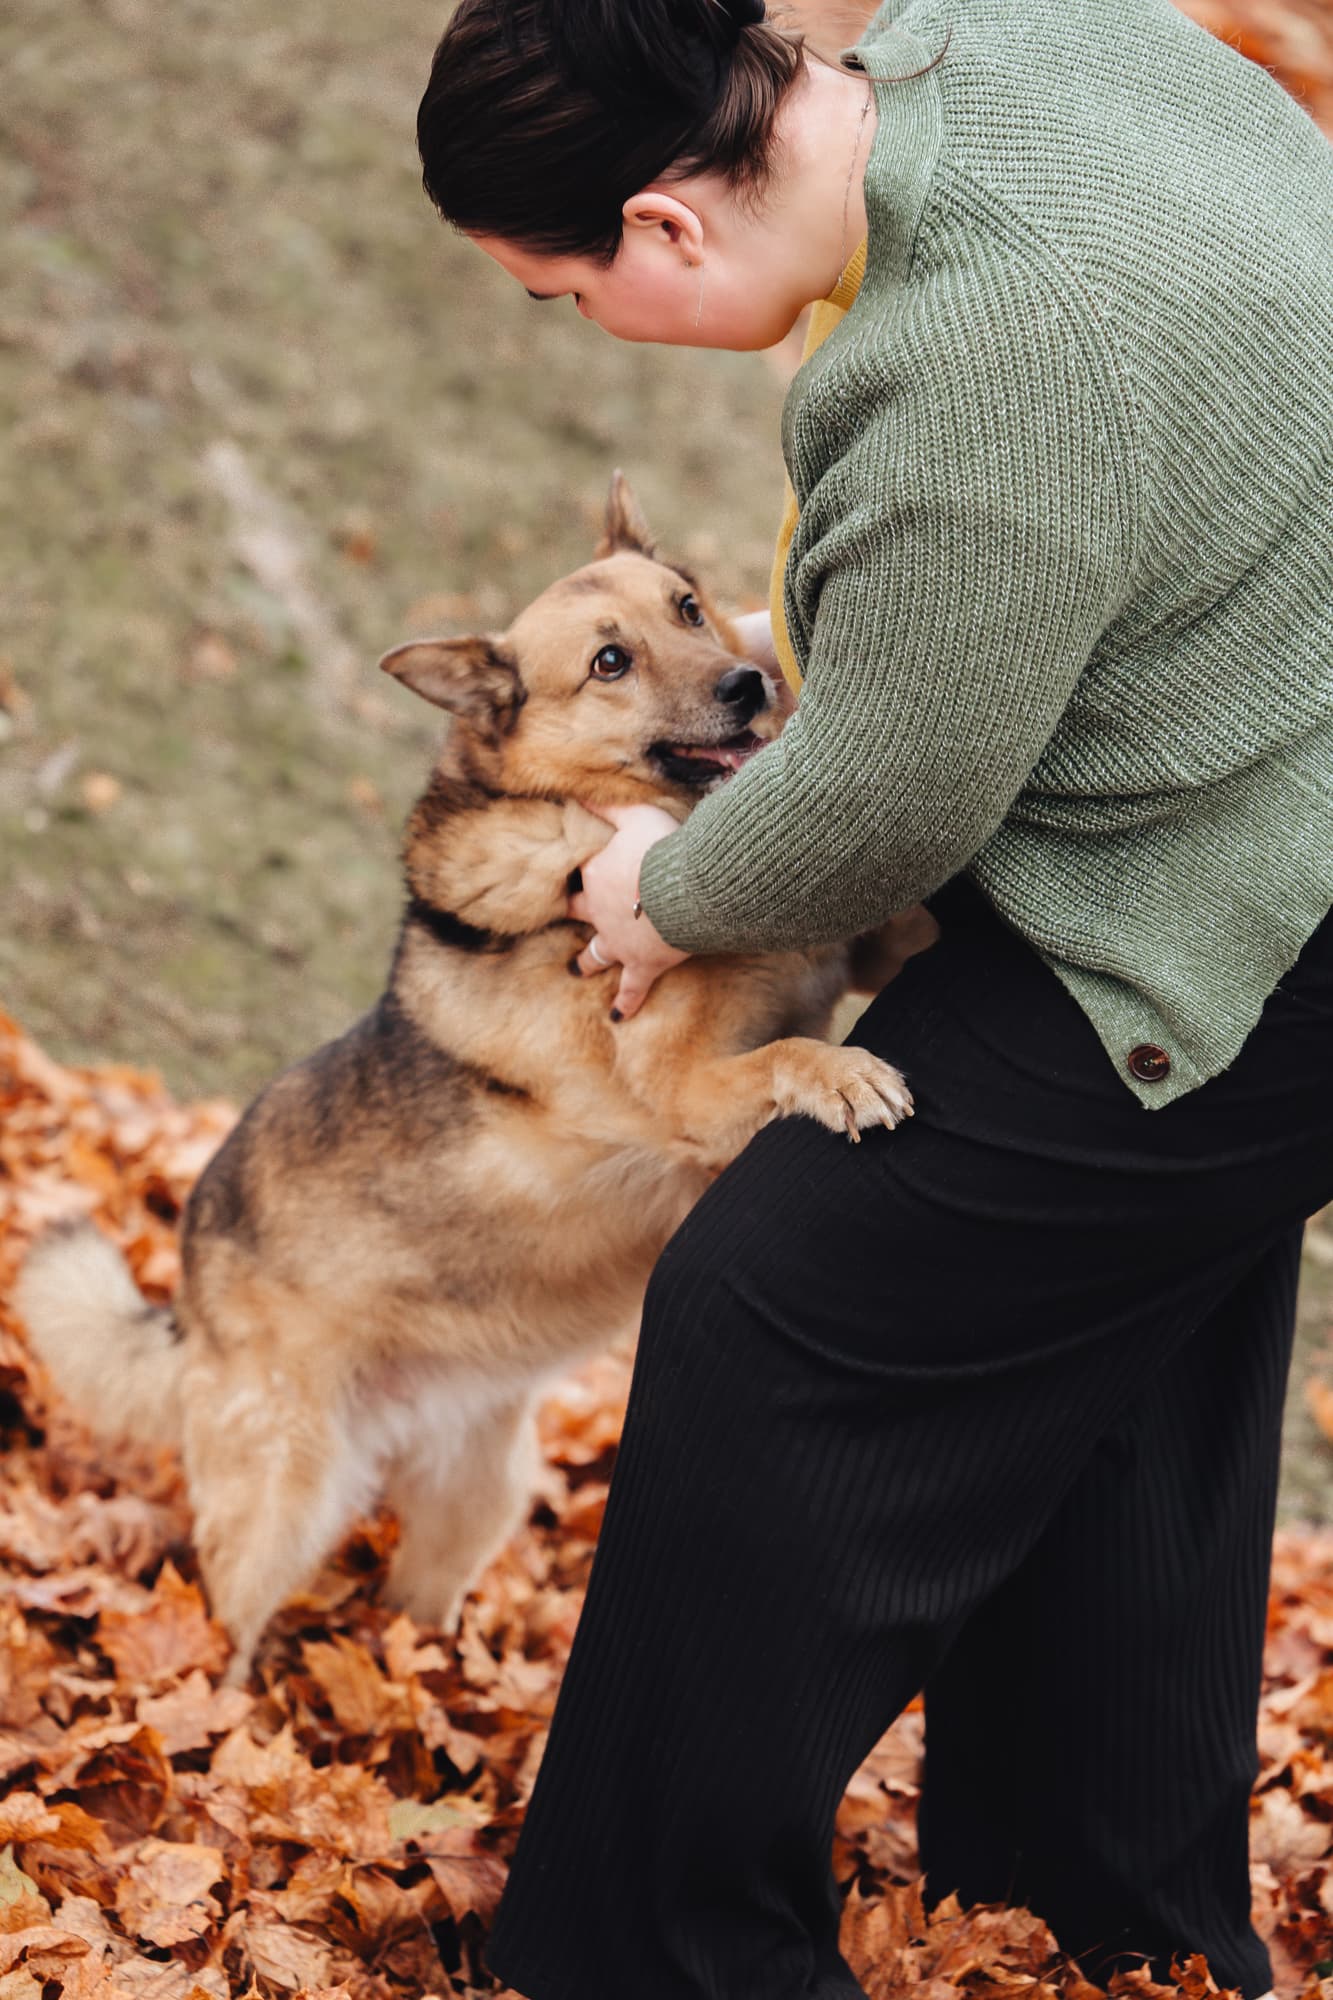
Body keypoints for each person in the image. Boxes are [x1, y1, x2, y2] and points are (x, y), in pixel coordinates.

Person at [414, 0, 1333, 1993]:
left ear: (663, 229)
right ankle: (1103, 1915)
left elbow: (899, 793)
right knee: (1112, 1308)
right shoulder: (1031, 42)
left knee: (779, 1303)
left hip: (1248, 910)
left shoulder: (966, 374)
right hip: (1265, 786)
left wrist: (673, 883)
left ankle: (649, 1955)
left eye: (563, 295)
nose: (582, 326)